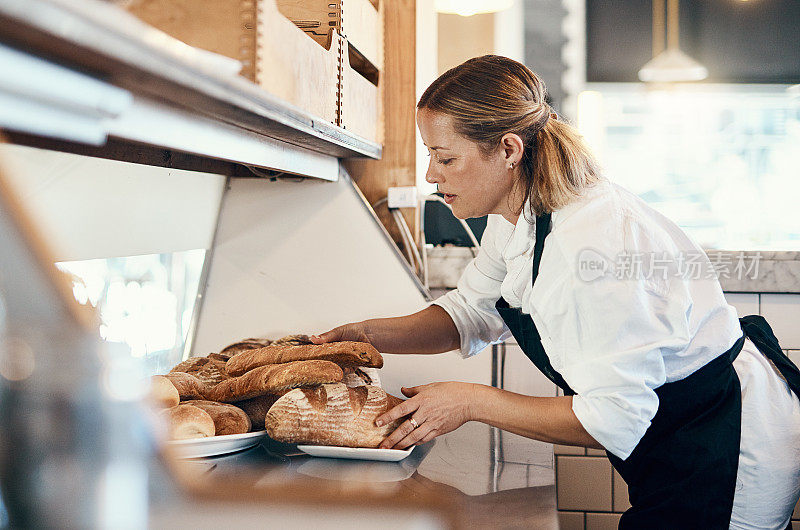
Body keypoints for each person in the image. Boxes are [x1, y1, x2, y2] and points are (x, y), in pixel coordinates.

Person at [310, 55, 800, 528]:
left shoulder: (588, 243)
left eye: (446, 157)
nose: (431, 176)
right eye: (430, 156)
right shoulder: (521, 213)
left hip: (729, 444)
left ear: (507, 150)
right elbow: (467, 314)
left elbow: (613, 416)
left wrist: (468, 401)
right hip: (678, 436)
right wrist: (363, 335)